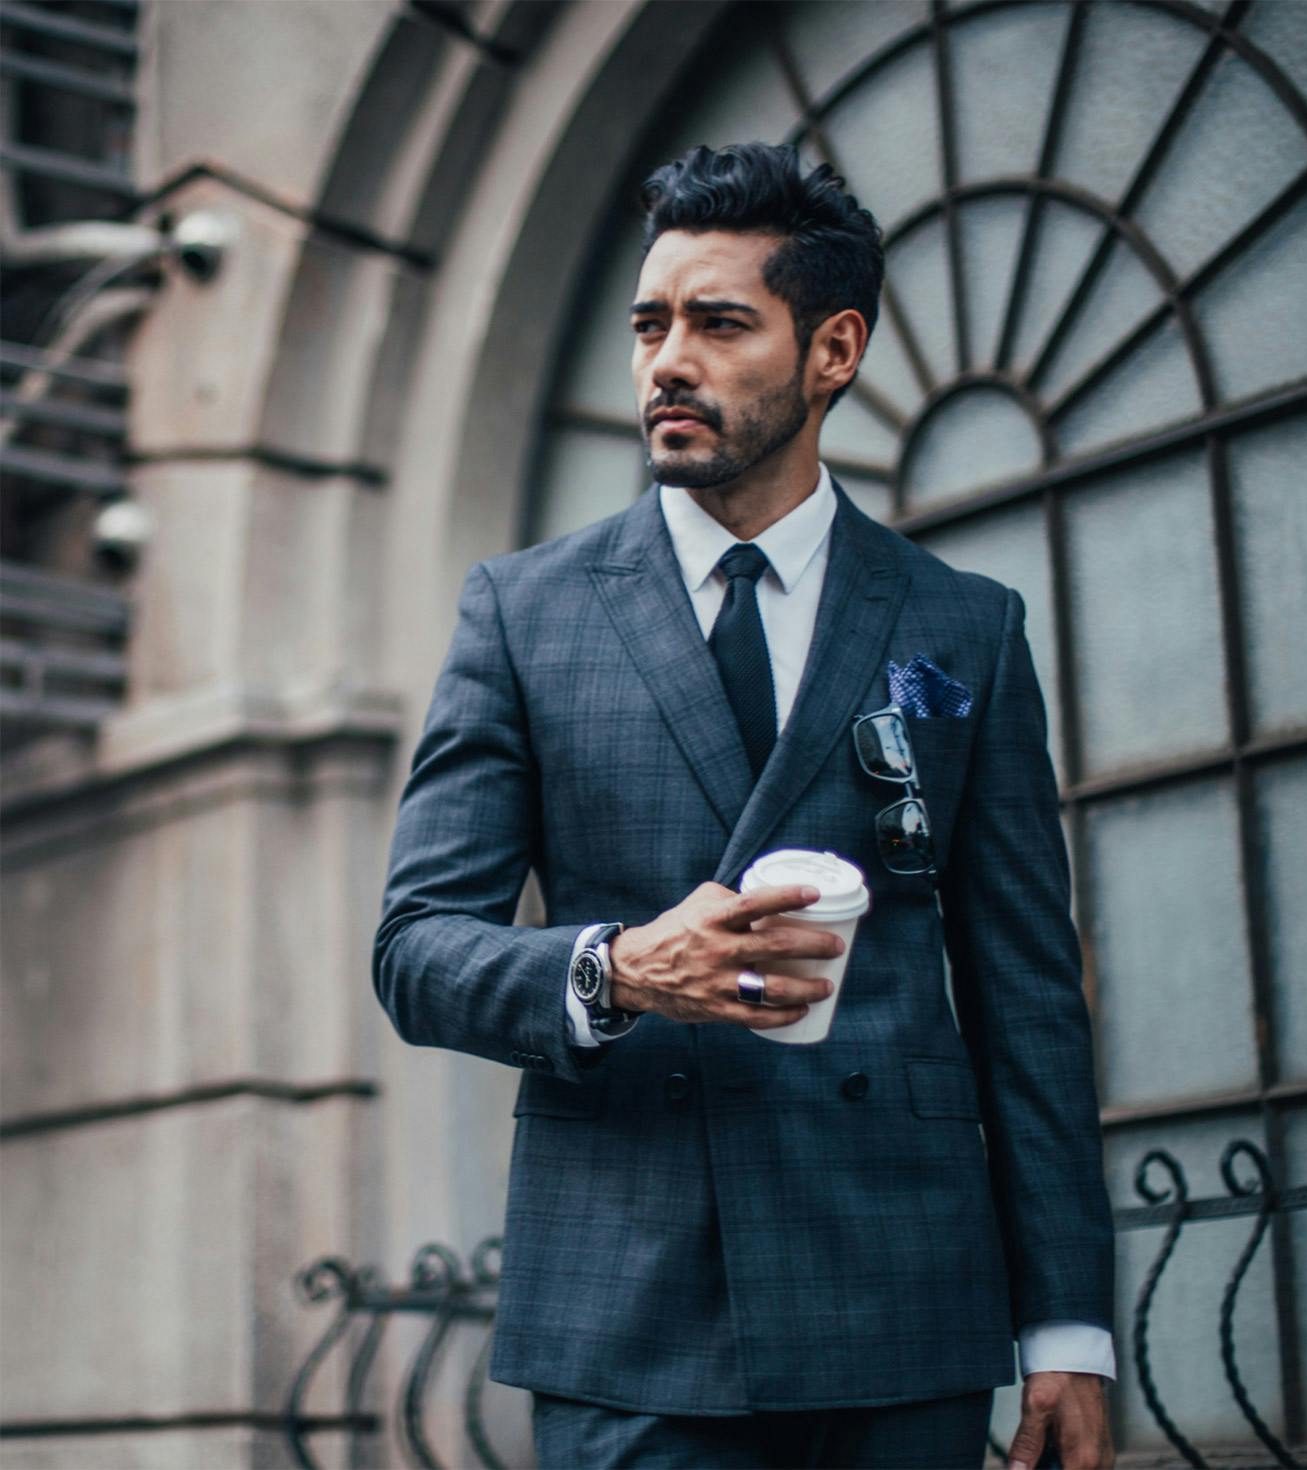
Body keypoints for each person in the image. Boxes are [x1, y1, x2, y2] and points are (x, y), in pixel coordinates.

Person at [374, 142, 1115, 1469]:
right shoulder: (523, 613)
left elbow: (1028, 998)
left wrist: (1066, 1325)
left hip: (904, 1295)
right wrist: (615, 967)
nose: (668, 360)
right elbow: (416, 950)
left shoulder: (964, 626)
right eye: (652, 322)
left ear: (834, 350)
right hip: (634, 1312)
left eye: (720, 323)